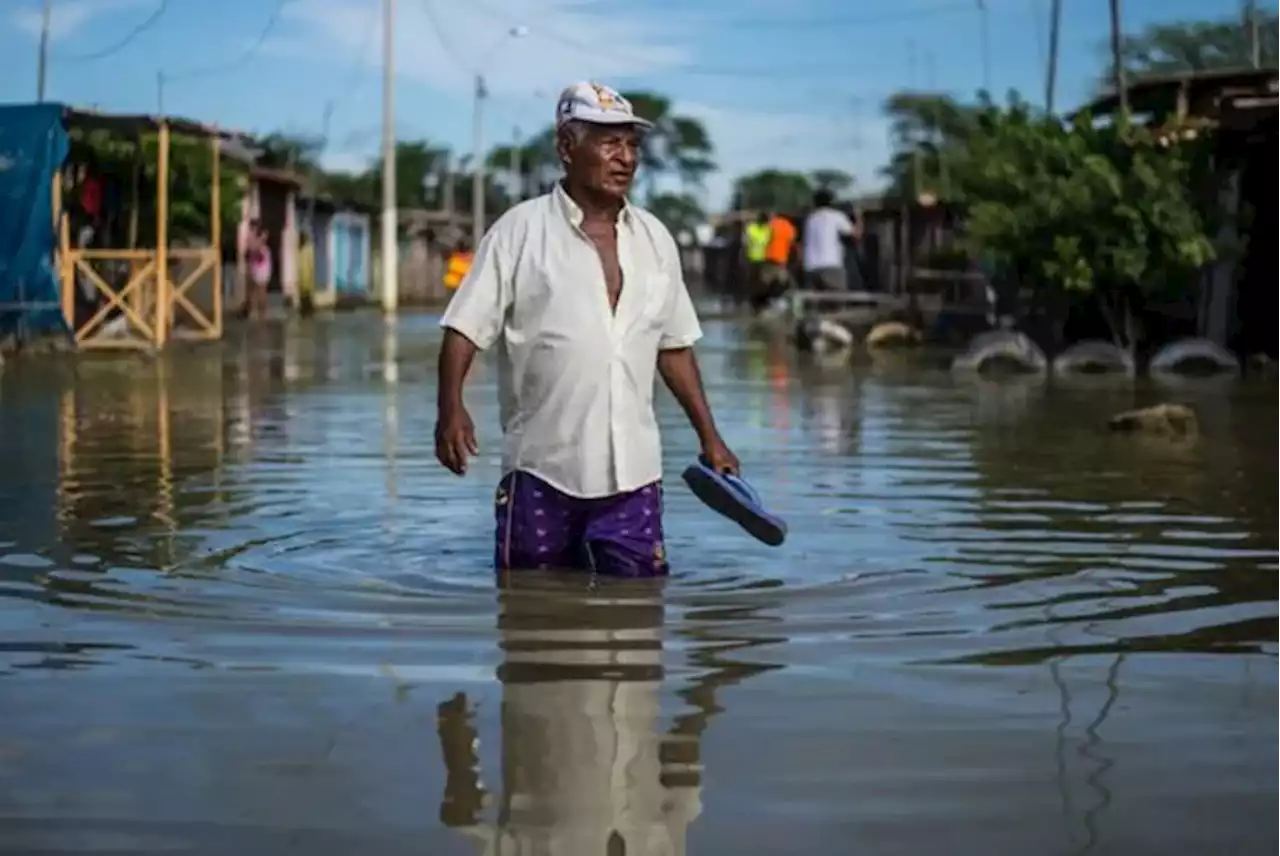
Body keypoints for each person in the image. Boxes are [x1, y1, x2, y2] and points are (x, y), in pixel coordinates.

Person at [434, 80, 740, 578]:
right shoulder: (519, 231)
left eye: (632, 144)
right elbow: (464, 328)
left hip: (634, 475)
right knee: (529, 609)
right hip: (542, 469)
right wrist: (450, 408)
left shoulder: (655, 239)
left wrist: (711, 438)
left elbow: (675, 347)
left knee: (639, 619)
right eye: (608, 142)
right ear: (566, 148)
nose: (626, 158)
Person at [801, 189, 858, 291]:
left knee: (813, 305)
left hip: (811, 267)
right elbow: (855, 235)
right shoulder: (837, 216)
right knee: (835, 302)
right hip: (831, 265)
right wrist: (859, 218)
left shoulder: (810, 219)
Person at [756, 211, 797, 310]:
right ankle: (779, 306)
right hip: (780, 261)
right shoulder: (787, 226)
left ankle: (764, 308)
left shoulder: (765, 226)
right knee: (782, 285)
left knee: (766, 285)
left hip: (767, 260)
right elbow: (792, 244)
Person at [742, 211, 771, 305]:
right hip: (752, 259)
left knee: (762, 283)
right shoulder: (751, 228)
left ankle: (760, 302)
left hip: (764, 260)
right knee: (753, 282)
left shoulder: (768, 229)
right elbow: (745, 244)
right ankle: (753, 302)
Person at [246, 220, 272, 320]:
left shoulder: (261, 244)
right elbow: (252, 250)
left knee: (261, 291)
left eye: (253, 228)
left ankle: (262, 314)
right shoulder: (255, 239)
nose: (252, 230)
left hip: (261, 270)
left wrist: (261, 238)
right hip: (256, 268)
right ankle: (255, 312)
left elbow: (256, 250)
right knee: (253, 291)